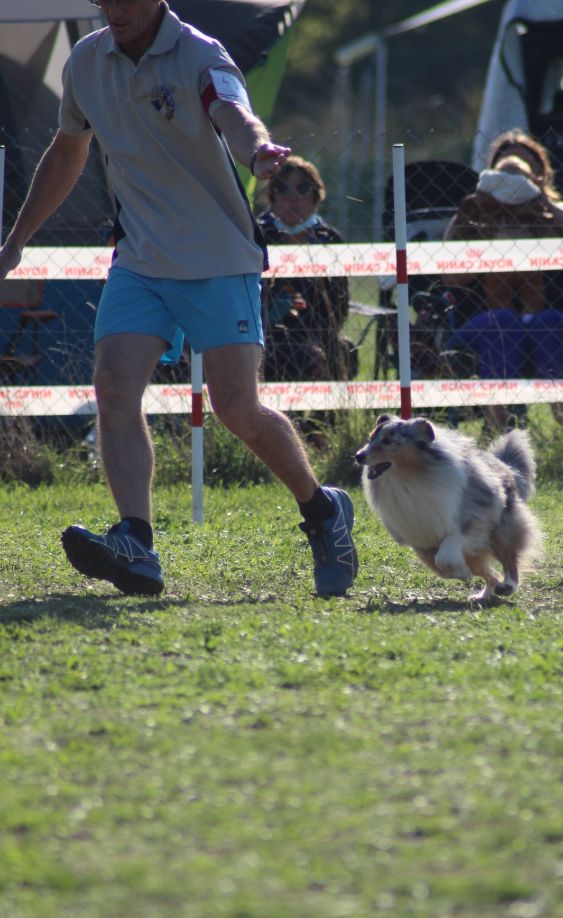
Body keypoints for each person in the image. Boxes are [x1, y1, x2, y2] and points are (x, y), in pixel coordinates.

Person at [0, 0, 357, 599]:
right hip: (139, 258)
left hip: (219, 257)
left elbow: (235, 114)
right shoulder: (87, 61)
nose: (112, 9)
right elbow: (68, 151)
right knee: (114, 387)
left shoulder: (201, 53)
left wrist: (260, 152)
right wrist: (16, 239)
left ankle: (324, 512)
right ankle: (136, 543)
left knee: (237, 411)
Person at [443, 129, 563, 430]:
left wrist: (544, 204)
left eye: (522, 178)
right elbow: (449, 275)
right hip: (485, 325)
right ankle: (498, 424)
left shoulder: (553, 214)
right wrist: (475, 212)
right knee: (503, 321)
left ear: (540, 177)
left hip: (544, 321)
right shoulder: (475, 214)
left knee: (552, 322)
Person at [257, 156, 353, 383]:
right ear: (272, 197)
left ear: (315, 197)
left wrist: (314, 334)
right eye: (282, 187)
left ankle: (324, 419)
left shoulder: (329, 239)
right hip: (267, 333)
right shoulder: (257, 236)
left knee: (343, 351)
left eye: (302, 188)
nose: (292, 197)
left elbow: (339, 305)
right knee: (289, 355)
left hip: (317, 332)